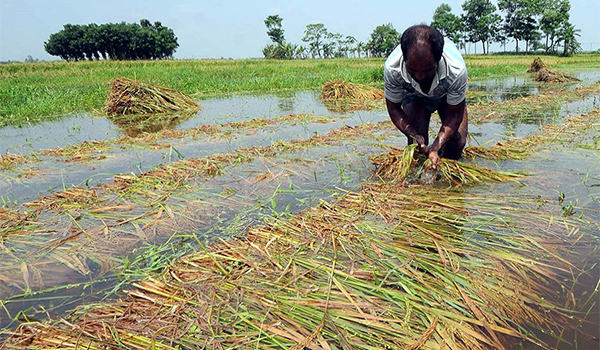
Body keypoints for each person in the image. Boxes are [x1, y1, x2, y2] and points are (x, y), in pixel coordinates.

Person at [384, 24, 468, 169]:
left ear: (438, 59)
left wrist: (436, 146)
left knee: (456, 143)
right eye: (412, 70)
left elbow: (455, 114)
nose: (420, 76)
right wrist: (414, 135)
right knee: (417, 148)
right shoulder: (393, 68)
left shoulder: (456, 70)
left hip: (445, 95)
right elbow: (394, 109)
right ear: (404, 59)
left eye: (428, 70)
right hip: (414, 96)